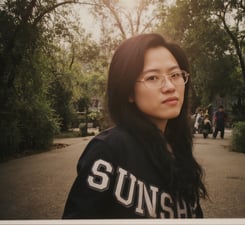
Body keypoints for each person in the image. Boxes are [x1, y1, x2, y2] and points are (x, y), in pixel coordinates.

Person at [62, 33, 207, 219]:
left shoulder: (178, 148)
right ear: (129, 91)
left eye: (175, 74)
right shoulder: (109, 150)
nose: (170, 86)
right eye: (153, 78)